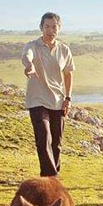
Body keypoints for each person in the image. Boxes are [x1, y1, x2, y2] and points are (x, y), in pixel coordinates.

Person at [21, 12, 75, 177]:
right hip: (37, 100)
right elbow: (26, 56)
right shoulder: (32, 46)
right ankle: (50, 177)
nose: (50, 30)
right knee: (44, 139)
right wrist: (29, 66)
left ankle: (53, 175)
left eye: (54, 27)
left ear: (59, 29)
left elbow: (68, 74)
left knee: (56, 143)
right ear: (41, 27)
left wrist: (68, 98)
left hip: (58, 101)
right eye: (47, 26)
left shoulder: (64, 50)